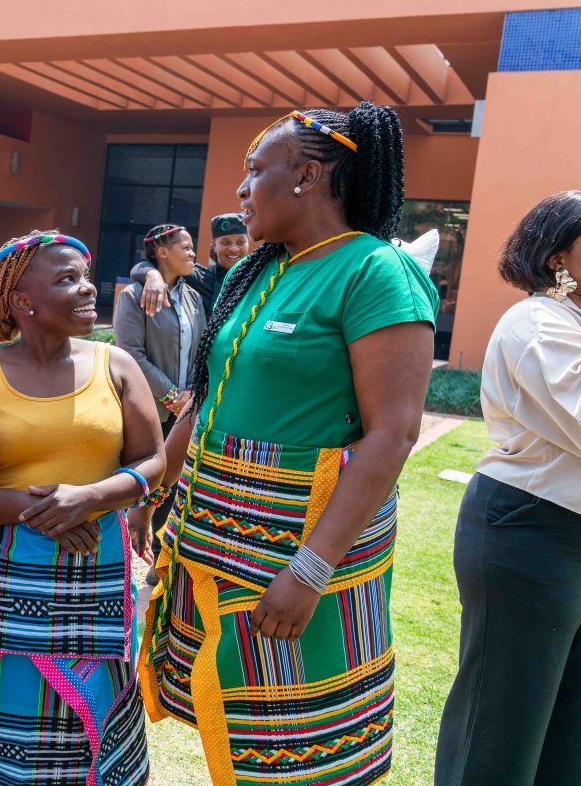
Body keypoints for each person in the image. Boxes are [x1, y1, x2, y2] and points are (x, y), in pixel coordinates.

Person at [140, 105, 438, 786]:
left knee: (301, 742)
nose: (241, 189)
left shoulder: (375, 271)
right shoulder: (260, 271)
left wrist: (309, 571)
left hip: (302, 544)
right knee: (240, 719)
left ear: (306, 175)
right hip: (221, 539)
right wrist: (155, 488)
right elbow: (209, 395)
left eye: (255, 170)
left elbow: (393, 433)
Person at [435, 191, 581, 786]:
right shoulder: (534, 323)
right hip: (533, 532)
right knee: (502, 726)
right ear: (558, 259)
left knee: (579, 730)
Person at [0, 230, 164, 786]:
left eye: (85, 276)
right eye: (68, 279)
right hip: (0, 577)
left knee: (90, 712)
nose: (88, 288)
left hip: (92, 570)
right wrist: (41, 511)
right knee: (4, 711)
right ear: (23, 300)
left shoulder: (116, 365)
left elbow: (152, 461)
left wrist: (89, 499)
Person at [114, 223, 207, 575]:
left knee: (170, 482)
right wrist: (170, 395)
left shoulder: (193, 297)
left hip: (185, 409)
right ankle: (120, 556)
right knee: (135, 479)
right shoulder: (133, 295)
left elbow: (203, 348)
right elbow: (131, 353)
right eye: (186, 246)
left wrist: (192, 392)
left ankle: (154, 554)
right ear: (162, 252)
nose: (193, 253)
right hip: (147, 408)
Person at [131, 213, 250, 317]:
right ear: (214, 245)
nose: (234, 249)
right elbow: (146, 266)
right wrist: (153, 276)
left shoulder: (256, 280)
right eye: (225, 242)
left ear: (248, 243)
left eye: (240, 242)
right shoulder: (200, 278)